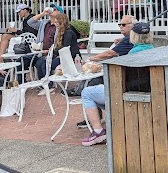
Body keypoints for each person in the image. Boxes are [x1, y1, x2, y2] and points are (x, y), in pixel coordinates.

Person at [79, 14, 136, 146]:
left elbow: (109, 54)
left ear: (132, 28)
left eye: (123, 24)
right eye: (119, 24)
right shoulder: (143, 44)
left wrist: (90, 59)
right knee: (96, 82)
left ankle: (98, 132)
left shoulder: (128, 42)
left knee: (87, 93)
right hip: (135, 85)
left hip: (122, 87)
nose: (120, 27)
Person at [34, 13, 79, 86]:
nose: (55, 24)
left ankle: (49, 86)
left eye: (57, 22)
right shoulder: (62, 31)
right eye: (55, 22)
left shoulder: (68, 32)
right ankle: (43, 84)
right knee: (40, 62)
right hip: (61, 55)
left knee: (45, 65)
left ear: (62, 22)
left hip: (69, 58)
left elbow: (65, 49)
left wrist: (51, 52)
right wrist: (50, 52)